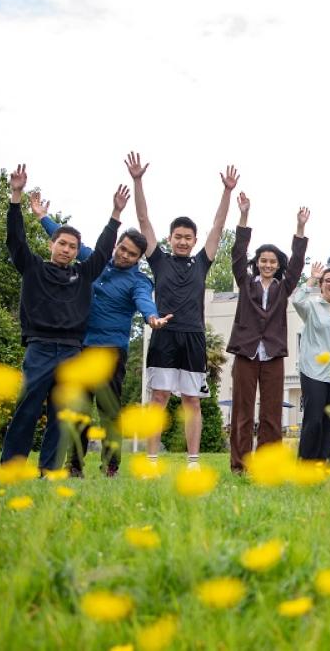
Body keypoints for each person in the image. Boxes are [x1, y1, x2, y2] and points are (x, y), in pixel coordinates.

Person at [30, 190, 172, 477]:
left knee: (108, 411)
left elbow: (145, 300)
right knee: (79, 409)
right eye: (123, 249)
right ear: (117, 245)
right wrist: (43, 217)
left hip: (111, 351)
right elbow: (67, 241)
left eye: (132, 254)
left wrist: (152, 317)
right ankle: (75, 466)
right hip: (80, 347)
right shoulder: (96, 262)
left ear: (138, 259)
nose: (124, 255)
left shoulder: (138, 281)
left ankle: (111, 464)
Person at [0, 164, 120, 472]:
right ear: (52, 244)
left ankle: (50, 471)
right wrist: (16, 196)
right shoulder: (33, 268)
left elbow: (104, 252)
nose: (66, 249)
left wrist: (115, 215)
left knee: (61, 414)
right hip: (39, 349)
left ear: (77, 251)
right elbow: (15, 240)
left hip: (70, 351)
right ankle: (10, 468)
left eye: (72, 246)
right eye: (62, 243)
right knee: (27, 410)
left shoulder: (83, 275)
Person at [126, 151, 237, 470]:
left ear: (194, 240)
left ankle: (192, 461)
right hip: (163, 335)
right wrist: (138, 181)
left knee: (191, 401)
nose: (183, 242)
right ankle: (150, 459)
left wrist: (227, 192)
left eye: (188, 238)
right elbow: (144, 220)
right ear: (170, 238)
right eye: (178, 237)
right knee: (158, 399)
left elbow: (219, 225)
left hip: (193, 338)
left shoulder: (202, 261)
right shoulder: (158, 260)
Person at [225, 195, 308, 473]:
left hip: (273, 353)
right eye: (263, 260)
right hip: (245, 352)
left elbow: (296, 263)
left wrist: (299, 229)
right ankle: (240, 465)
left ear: (277, 264)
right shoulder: (245, 282)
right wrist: (244, 217)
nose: (268, 264)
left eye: (272, 261)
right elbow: (237, 253)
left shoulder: (283, 287)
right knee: (242, 412)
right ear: (256, 263)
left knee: (272, 413)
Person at [294, 262, 330, 461]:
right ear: (321, 284)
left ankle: (326, 462)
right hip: (314, 366)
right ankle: (306, 463)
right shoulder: (311, 306)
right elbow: (296, 300)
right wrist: (310, 278)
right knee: (315, 417)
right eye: (328, 280)